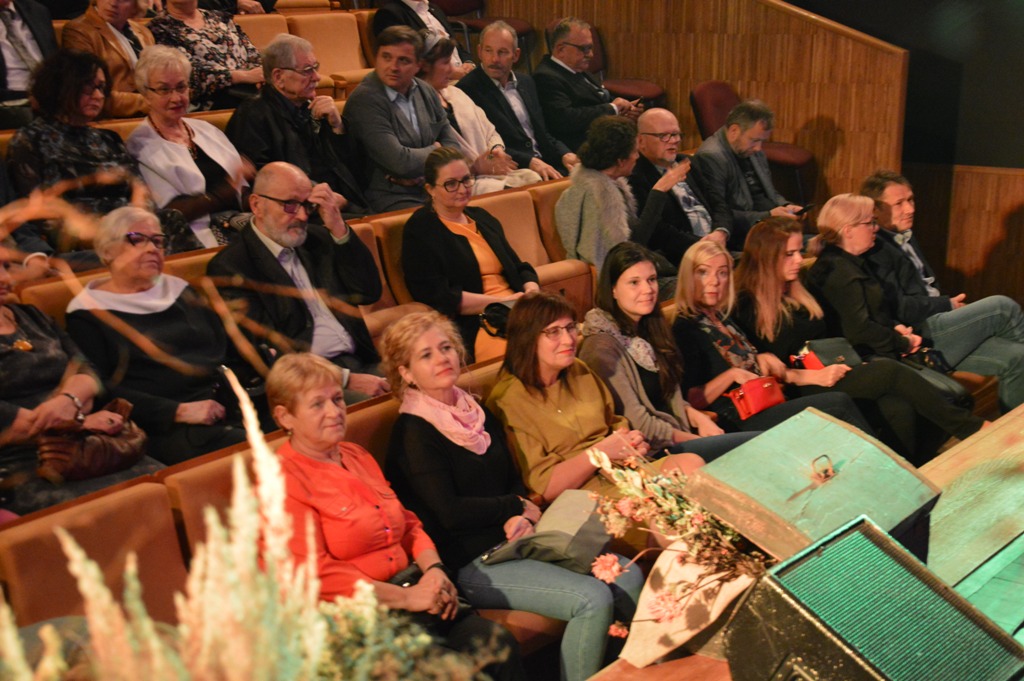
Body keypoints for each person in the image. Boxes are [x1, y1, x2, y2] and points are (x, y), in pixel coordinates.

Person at [382, 310, 643, 681]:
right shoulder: (413, 433)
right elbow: (449, 513)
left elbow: (512, 479)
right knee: (592, 598)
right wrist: (513, 507)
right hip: (471, 560)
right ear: (406, 373)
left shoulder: (475, 410)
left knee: (627, 576)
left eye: (446, 348)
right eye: (426, 355)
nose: (442, 358)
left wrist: (519, 513)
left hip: (518, 538)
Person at [265, 351, 525, 681]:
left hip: (410, 591)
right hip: (353, 620)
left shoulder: (356, 455)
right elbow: (316, 576)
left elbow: (408, 523)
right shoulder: (281, 482)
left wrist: (434, 570)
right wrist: (406, 597)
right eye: (317, 404)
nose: (334, 411)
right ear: (285, 417)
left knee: (498, 644)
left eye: (337, 399)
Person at [733, 218, 985, 463]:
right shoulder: (748, 305)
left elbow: (828, 338)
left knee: (898, 408)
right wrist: (815, 376)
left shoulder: (795, 291)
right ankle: (972, 428)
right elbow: (764, 369)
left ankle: (911, 470)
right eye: (789, 254)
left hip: (832, 369)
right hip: (800, 385)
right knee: (889, 371)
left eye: (799, 251)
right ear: (766, 257)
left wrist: (852, 362)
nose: (799, 260)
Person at [65, 207, 250, 465]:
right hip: (167, 424)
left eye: (157, 241)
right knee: (263, 451)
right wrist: (177, 411)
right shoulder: (87, 314)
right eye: (137, 239)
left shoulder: (180, 290)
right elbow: (102, 388)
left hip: (227, 400)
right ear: (107, 251)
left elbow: (225, 345)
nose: (152, 248)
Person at [486, 290, 703, 504]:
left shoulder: (578, 369)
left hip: (624, 472)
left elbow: (615, 423)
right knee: (669, 503)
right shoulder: (508, 400)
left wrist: (632, 442)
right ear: (527, 338)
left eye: (570, 327)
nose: (568, 340)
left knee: (691, 466)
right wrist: (599, 453)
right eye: (553, 332)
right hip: (581, 496)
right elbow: (544, 487)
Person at [206, 162, 389, 405]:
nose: (302, 216)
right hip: (305, 384)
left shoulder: (317, 240)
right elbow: (264, 354)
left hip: (360, 360)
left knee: (427, 380)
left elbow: (367, 292)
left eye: (307, 205)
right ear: (257, 205)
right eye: (290, 205)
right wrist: (345, 379)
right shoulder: (232, 267)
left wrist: (337, 227)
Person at [0, 243, 162, 516]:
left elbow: (86, 370)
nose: (5, 278)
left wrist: (69, 400)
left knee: (162, 482)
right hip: (22, 464)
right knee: (126, 508)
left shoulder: (31, 316)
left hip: (84, 443)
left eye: (6, 266)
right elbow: (8, 424)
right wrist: (80, 420)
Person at [861, 170, 1024, 413]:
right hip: (920, 335)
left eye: (911, 200)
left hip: (942, 326)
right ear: (875, 210)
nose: (910, 209)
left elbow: (927, 287)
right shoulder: (875, 247)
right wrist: (948, 305)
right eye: (899, 203)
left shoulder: (904, 235)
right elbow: (900, 308)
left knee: (1018, 356)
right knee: (1002, 307)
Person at [579, 241, 760, 458]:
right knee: (755, 447)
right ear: (613, 289)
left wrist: (696, 417)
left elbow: (668, 397)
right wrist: (698, 440)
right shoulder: (601, 348)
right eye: (634, 282)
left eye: (651, 279)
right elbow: (638, 424)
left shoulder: (649, 327)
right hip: (650, 452)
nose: (648, 289)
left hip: (678, 436)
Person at [672, 239, 871, 434]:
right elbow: (691, 398)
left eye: (722, 273)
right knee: (838, 403)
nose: (714, 281)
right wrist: (732, 375)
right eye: (703, 272)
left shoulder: (722, 318)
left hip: (766, 400)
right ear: (688, 277)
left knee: (850, 397)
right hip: (737, 417)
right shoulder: (686, 327)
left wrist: (760, 358)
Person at [7, 48, 142, 271]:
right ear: (61, 88)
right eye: (89, 87)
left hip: (130, 230)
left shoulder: (108, 139)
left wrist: (136, 225)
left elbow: (140, 192)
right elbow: (38, 213)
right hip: (80, 240)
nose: (98, 95)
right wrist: (102, 229)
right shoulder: (31, 140)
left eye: (101, 88)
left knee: (168, 222)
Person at [402, 147, 540, 361]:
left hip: (519, 308)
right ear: (430, 189)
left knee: (562, 335)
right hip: (478, 321)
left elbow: (519, 267)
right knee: (531, 351)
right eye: (451, 184)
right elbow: (439, 296)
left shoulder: (482, 217)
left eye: (466, 180)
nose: (462, 189)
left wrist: (531, 290)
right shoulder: (421, 229)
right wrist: (501, 303)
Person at [226, 35, 370, 218]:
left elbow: (354, 166)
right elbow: (263, 180)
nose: (317, 77)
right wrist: (320, 197)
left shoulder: (312, 108)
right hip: (300, 212)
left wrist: (337, 126)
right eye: (307, 71)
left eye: (316, 67)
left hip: (343, 202)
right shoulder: (253, 115)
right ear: (278, 77)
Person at [127, 45, 251, 250]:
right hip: (195, 237)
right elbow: (172, 213)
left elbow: (242, 188)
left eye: (181, 87)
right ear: (145, 94)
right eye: (164, 90)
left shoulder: (206, 130)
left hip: (239, 223)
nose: (176, 98)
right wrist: (225, 192)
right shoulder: (140, 146)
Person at [555, 115, 688, 286]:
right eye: (634, 151)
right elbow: (626, 252)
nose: (637, 156)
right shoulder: (597, 196)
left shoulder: (610, 184)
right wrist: (659, 191)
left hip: (639, 271)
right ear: (620, 160)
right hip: (621, 282)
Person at [343, 25, 460, 212]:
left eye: (403, 60)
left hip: (432, 189)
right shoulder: (365, 100)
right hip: (390, 197)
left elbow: (454, 147)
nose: (393, 67)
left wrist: (423, 172)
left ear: (418, 65)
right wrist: (436, 150)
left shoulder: (425, 90)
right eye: (386, 57)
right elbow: (400, 162)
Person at [417, 36, 540, 195]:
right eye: (446, 63)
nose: (452, 70)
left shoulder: (456, 93)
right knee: (516, 194)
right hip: (461, 181)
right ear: (426, 66)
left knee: (533, 179)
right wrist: (475, 167)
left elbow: (490, 131)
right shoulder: (419, 105)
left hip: (490, 173)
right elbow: (437, 161)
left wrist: (496, 151)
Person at [456, 21, 578, 180]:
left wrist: (564, 153)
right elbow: (485, 147)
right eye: (488, 50)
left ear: (516, 55)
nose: (494, 59)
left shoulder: (526, 82)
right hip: (513, 170)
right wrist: (530, 161)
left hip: (546, 162)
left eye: (502, 52)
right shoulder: (468, 89)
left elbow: (542, 133)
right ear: (479, 52)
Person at [692, 100, 802, 249]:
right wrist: (768, 216)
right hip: (744, 236)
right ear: (734, 131)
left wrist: (786, 207)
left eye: (762, 141)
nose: (758, 148)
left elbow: (770, 193)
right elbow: (718, 213)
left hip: (769, 229)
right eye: (754, 140)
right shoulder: (711, 157)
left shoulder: (751, 150)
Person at [533, 17, 641, 154]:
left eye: (591, 48)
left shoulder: (575, 68)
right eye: (584, 49)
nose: (590, 55)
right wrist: (612, 109)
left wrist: (624, 110)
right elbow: (565, 119)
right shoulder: (546, 77)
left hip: (603, 137)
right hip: (584, 148)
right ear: (561, 49)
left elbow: (597, 99)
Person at [630, 108, 723, 265]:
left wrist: (722, 231)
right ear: (640, 141)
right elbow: (658, 233)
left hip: (718, 245)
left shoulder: (688, 162)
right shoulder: (635, 177)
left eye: (676, 134)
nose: (674, 140)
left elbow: (719, 203)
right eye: (664, 136)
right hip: (683, 258)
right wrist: (703, 245)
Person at [147, 0, 263, 111]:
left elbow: (250, 50)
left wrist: (260, 75)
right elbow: (185, 72)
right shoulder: (160, 28)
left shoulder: (219, 17)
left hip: (251, 90)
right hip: (213, 100)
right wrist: (242, 76)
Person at [61, 0, 155, 118]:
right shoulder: (79, 31)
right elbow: (88, 93)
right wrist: (152, 102)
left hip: (152, 113)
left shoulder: (144, 32)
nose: (113, 3)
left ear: (136, 5)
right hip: (111, 117)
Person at [372, 0, 474, 78]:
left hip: (462, 75)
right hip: (434, 81)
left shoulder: (435, 9)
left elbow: (456, 45)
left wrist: (468, 62)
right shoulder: (390, 13)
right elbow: (405, 57)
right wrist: (448, 71)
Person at [0, 0, 57, 129]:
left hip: (51, 96)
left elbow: (57, 62)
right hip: (10, 103)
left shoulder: (38, 11)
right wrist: (29, 97)